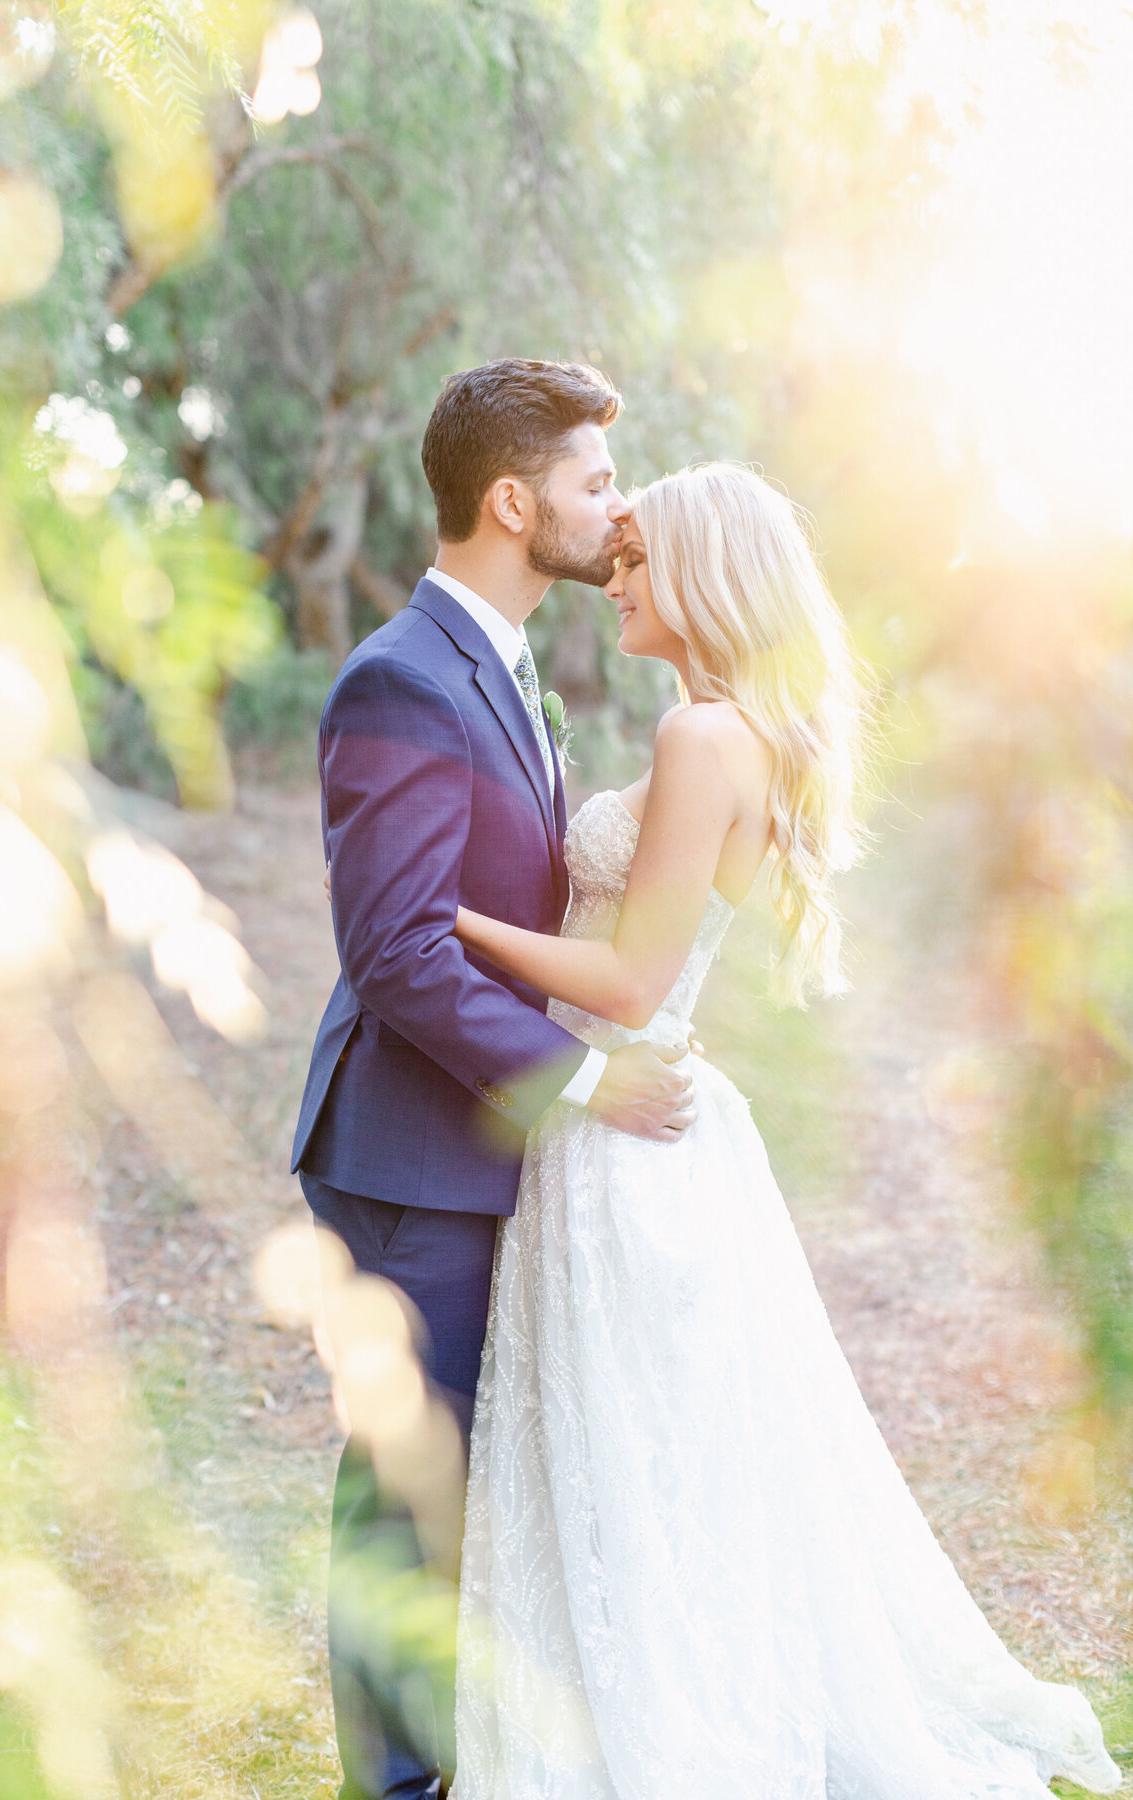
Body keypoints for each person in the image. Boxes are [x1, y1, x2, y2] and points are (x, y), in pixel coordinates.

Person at [448, 463, 1122, 1799]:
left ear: (698, 576)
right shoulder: (721, 727)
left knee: (637, 1453)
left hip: (626, 1123)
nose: (618, 579)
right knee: (657, 1452)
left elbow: (635, 979)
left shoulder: (704, 742)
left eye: (636, 560)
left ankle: (658, 1734)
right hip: (647, 1121)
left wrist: (447, 927)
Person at [291, 359, 698, 1800]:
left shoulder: (508, 669)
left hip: (473, 1152)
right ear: (514, 502)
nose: (619, 505)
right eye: (595, 482)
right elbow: (399, 953)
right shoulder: (402, 675)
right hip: (408, 1160)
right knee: (405, 1505)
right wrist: (586, 1088)